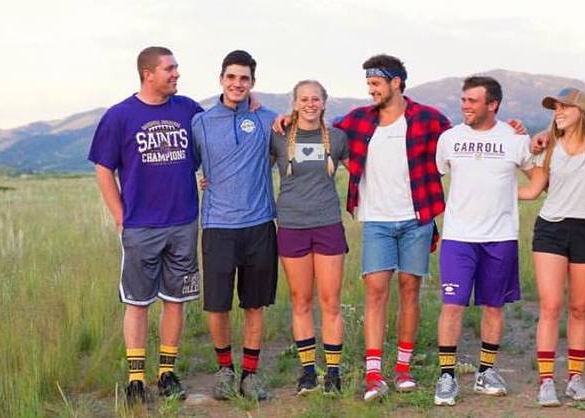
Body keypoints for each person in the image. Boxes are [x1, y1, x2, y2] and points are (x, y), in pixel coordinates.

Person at [333, 54, 451, 402]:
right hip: (377, 221)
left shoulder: (429, 119)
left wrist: (515, 130)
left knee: (410, 289)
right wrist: (285, 118)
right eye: (369, 84)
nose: (371, 90)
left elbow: (460, 140)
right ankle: (374, 375)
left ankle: (402, 369)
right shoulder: (357, 120)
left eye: (376, 84)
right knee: (376, 292)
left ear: (395, 83)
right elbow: (320, 126)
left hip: (417, 218)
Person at [88, 46, 201, 405]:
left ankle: (167, 372)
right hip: (141, 226)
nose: (177, 74)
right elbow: (103, 168)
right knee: (137, 302)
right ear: (148, 73)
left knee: (176, 300)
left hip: (183, 222)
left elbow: (213, 140)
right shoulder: (120, 116)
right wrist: (120, 216)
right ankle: (136, 379)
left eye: (177, 68)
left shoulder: (188, 110)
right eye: (170, 69)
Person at [432, 76, 534, 406]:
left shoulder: (515, 139)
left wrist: (515, 194)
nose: (465, 106)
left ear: (493, 105)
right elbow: (440, 173)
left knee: (494, 306)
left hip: (500, 238)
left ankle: (485, 372)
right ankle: (446, 376)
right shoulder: (448, 139)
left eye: (472, 101)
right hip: (458, 238)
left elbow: (538, 178)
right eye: (463, 100)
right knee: (452, 306)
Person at [191, 50, 278, 401]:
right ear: (221, 79)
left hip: (258, 224)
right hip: (217, 225)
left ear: (253, 83)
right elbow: (188, 166)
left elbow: (285, 147)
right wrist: (199, 177)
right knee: (218, 305)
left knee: (254, 304)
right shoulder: (200, 122)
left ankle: (250, 374)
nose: (237, 84)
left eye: (244, 78)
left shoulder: (269, 119)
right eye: (231, 77)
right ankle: (225, 370)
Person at [518, 88, 585, 406]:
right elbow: (532, 191)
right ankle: (546, 382)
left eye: (564, 107)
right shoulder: (550, 146)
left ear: (581, 111)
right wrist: (489, 188)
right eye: (554, 108)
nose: (557, 111)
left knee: (580, 309)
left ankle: (575, 378)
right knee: (551, 305)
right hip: (551, 230)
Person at [270, 80, 349, 395]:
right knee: (300, 300)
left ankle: (332, 372)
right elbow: (252, 169)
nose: (310, 104)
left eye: (315, 99)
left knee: (330, 301)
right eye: (304, 99)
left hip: (327, 224)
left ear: (324, 103)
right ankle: (306, 372)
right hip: (291, 225)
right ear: (294, 103)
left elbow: (362, 170)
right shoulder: (278, 135)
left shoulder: (338, 138)